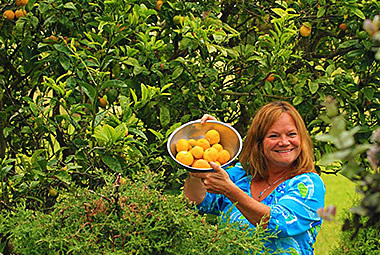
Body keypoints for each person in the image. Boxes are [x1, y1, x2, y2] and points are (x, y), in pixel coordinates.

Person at [184, 101, 326, 254]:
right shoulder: (242, 175)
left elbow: (279, 223)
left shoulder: (309, 185)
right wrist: (197, 169)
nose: (284, 142)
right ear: (258, 142)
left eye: (292, 134)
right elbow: (199, 201)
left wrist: (230, 191)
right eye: (274, 136)